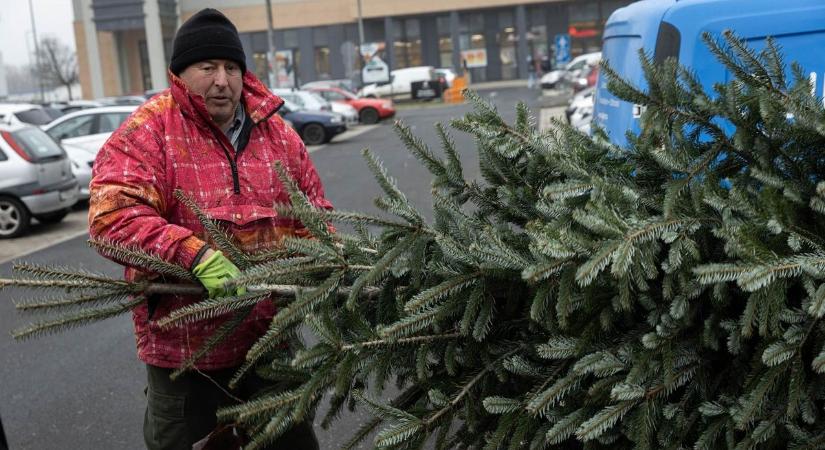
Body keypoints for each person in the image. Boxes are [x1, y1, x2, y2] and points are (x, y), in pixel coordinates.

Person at [88, 8, 329, 450]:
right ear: (180, 74)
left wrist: (324, 266)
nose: (222, 80)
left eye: (232, 68)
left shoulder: (277, 134)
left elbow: (315, 215)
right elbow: (112, 216)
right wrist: (194, 254)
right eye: (208, 67)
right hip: (185, 354)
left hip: (268, 341)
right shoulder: (148, 131)